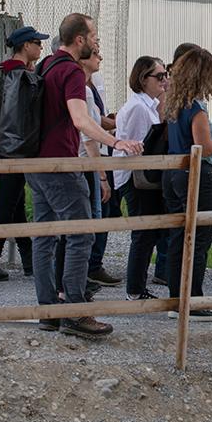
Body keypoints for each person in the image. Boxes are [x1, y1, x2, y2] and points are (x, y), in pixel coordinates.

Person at [27, 14, 141, 339]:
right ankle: (75, 310)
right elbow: (81, 119)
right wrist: (116, 141)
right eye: (93, 35)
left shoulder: (46, 65)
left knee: (45, 236)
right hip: (62, 166)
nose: (95, 41)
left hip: (37, 165)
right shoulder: (72, 71)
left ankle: (48, 310)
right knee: (82, 234)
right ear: (80, 40)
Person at [162, 47, 212, 321]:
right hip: (196, 177)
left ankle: (176, 298)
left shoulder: (173, 104)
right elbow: (204, 148)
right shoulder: (197, 109)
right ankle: (193, 299)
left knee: (177, 238)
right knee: (200, 238)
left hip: (172, 175)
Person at [0, 26, 47, 282]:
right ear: (25, 46)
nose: (41, 47)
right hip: (14, 146)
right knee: (7, 203)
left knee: (13, 199)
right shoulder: (23, 76)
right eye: (37, 43)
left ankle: (28, 260)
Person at [116, 56, 168, 299]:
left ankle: (138, 287)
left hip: (141, 176)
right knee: (143, 234)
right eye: (159, 76)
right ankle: (135, 289)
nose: (164, 80)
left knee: (148, 233)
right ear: (142, 79)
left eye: (165, 75)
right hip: (136, 178)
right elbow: (137, 146)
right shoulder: (138, 107)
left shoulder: (148, 105)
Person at [78, 49, 122, 288]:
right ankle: (84, 274)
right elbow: (88, 136)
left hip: (92, 160)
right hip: (89, 162)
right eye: (94, 53)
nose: (100, 57)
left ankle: (87, 271)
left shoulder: (91, 86)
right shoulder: (82, 90)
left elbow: (97, 121)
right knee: (93, 219)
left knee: (97, 217)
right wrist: (102, 175)